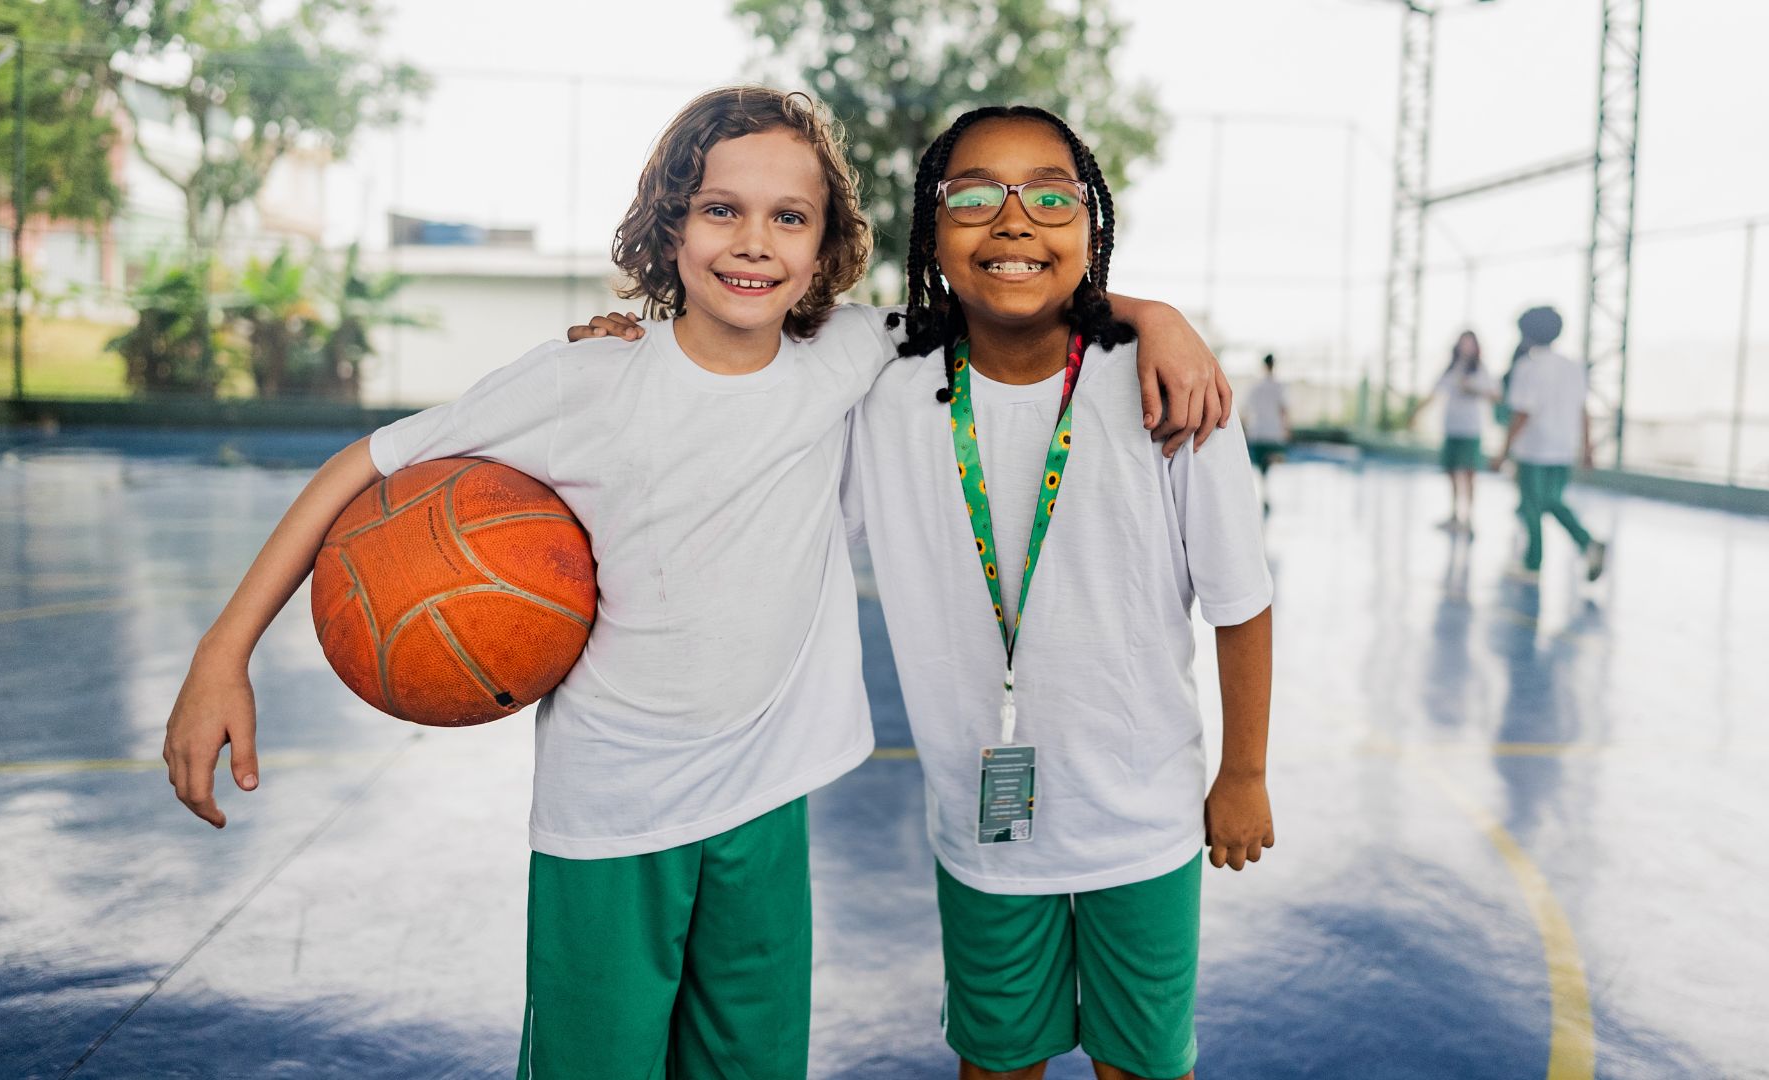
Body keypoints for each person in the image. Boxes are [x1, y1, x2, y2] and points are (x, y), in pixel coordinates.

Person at [165, 86, 1229, 1080]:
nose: (755, 243)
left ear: (829, 249)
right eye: (722, 209)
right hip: (612, 815)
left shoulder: (851, 355)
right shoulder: (584, 378)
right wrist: (224, 654)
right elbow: (365, 466)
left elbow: (1017, 297)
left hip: (767, 808)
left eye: (790, 218)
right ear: (670, 224)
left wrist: (1155, 315)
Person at [851, 106, 1274, 1080]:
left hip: (1144, 817)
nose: (1012, 221)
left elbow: (1239, 599)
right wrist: (631, 334)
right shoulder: (885, 385)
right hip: (982, 820)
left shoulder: (1169, 389)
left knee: (1145, 1066)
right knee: (998, 1062)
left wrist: (1243, 772)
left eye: (1050, 195)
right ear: (930, 229)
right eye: (972, 196)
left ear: (1092, 225)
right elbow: (756, 329)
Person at [1490, 306, 1607, 582]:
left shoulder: (1528, 367)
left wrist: (1503, 450)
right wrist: (1587, 447)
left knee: (1532, 504)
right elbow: (1583, 409)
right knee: (1551, 500)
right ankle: (1586, 544)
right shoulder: (1572, 367)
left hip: (1534, 448)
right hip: (1563, 447)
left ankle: (1534, 563)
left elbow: (1522, 414)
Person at [1407, 330, 1497, 534]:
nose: (1466, 347)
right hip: (1452, 428)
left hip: (1471, 430)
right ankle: (1455, 514)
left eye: (1469, 343)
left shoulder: (1480, 371)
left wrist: (1473, 389)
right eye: (1462, 343)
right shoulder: (1451, 370)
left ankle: (1470, 518)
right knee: (1451, 473)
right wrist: (1416, 414)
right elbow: (1435, 392)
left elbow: (1495, 395)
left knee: (1468, 473)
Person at [1243, 351, 1292, 468]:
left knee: (1261, 468)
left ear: (1264, 366)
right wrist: (1287, 429)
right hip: (1273, 433)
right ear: (1274, 365)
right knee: (1274, 465)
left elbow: (1246, 411)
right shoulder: (1279, 386)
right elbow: (1283, 410)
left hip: (1258, 432)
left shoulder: (1255, 386)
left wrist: (1245, 430)